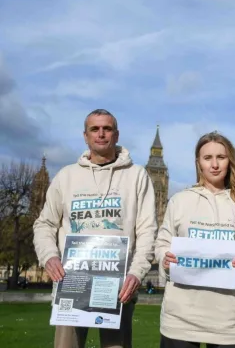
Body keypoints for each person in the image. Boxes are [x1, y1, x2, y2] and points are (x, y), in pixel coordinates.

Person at [33, 109, 157, 348]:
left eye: (107, 129)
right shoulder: (66, 176)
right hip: (71, 285)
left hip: (119, 289)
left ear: (117, 134)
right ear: (85, 136)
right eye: (95, 129)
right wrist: (49, 256)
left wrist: (136, 273)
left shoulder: (137, 176)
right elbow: (44, 224)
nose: (101, 134)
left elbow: (147, 231)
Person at [155, 131, 235, 348]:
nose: (214, 165)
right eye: (207, 158)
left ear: (229, 161)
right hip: (180, 319)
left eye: (221, 158)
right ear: (198, 163)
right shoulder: (180, 201)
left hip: (228, 321)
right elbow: (162, 243)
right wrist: (164, 259)